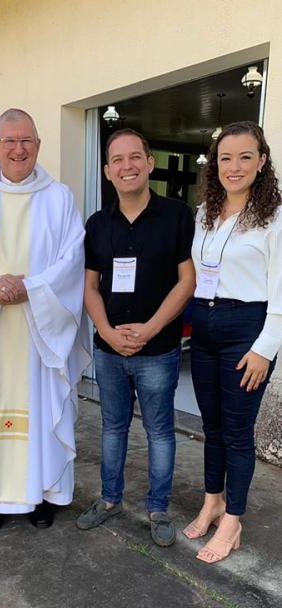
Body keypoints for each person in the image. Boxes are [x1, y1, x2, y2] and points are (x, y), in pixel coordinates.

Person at [0, 108, 89, 532]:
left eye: (26, 141)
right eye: (9, 141)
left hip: (39, 332)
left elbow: (71, 260)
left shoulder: (59, 198)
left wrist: (34, 288)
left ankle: (43, 494)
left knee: (42, 408)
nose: (18, 149)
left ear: (39, 146)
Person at [77, 129, 195, 546]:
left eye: (134, 157)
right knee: (112, 428)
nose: (126, 166)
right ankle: (110, 500)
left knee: (160, 432)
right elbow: (90, 287)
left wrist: (151, 329)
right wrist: (107, 331)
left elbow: (186, 281)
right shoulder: (97, 224)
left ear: (149, 163)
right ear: (108, 171)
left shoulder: (178, 215)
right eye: (117, 160)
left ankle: (158, 508)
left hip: (157, 350)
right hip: (109, 351)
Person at [184, 120, 282, 563]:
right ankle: (212, 501)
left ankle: (233, 520)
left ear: (262, 162)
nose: (234, 166)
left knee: (239, 433)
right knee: (213, 427)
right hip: (204, 327)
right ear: (215, 164)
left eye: (245, 156)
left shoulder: (275, 217)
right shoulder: (204, 212)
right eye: (226, 157)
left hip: (248, 330)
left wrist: (265, 348)